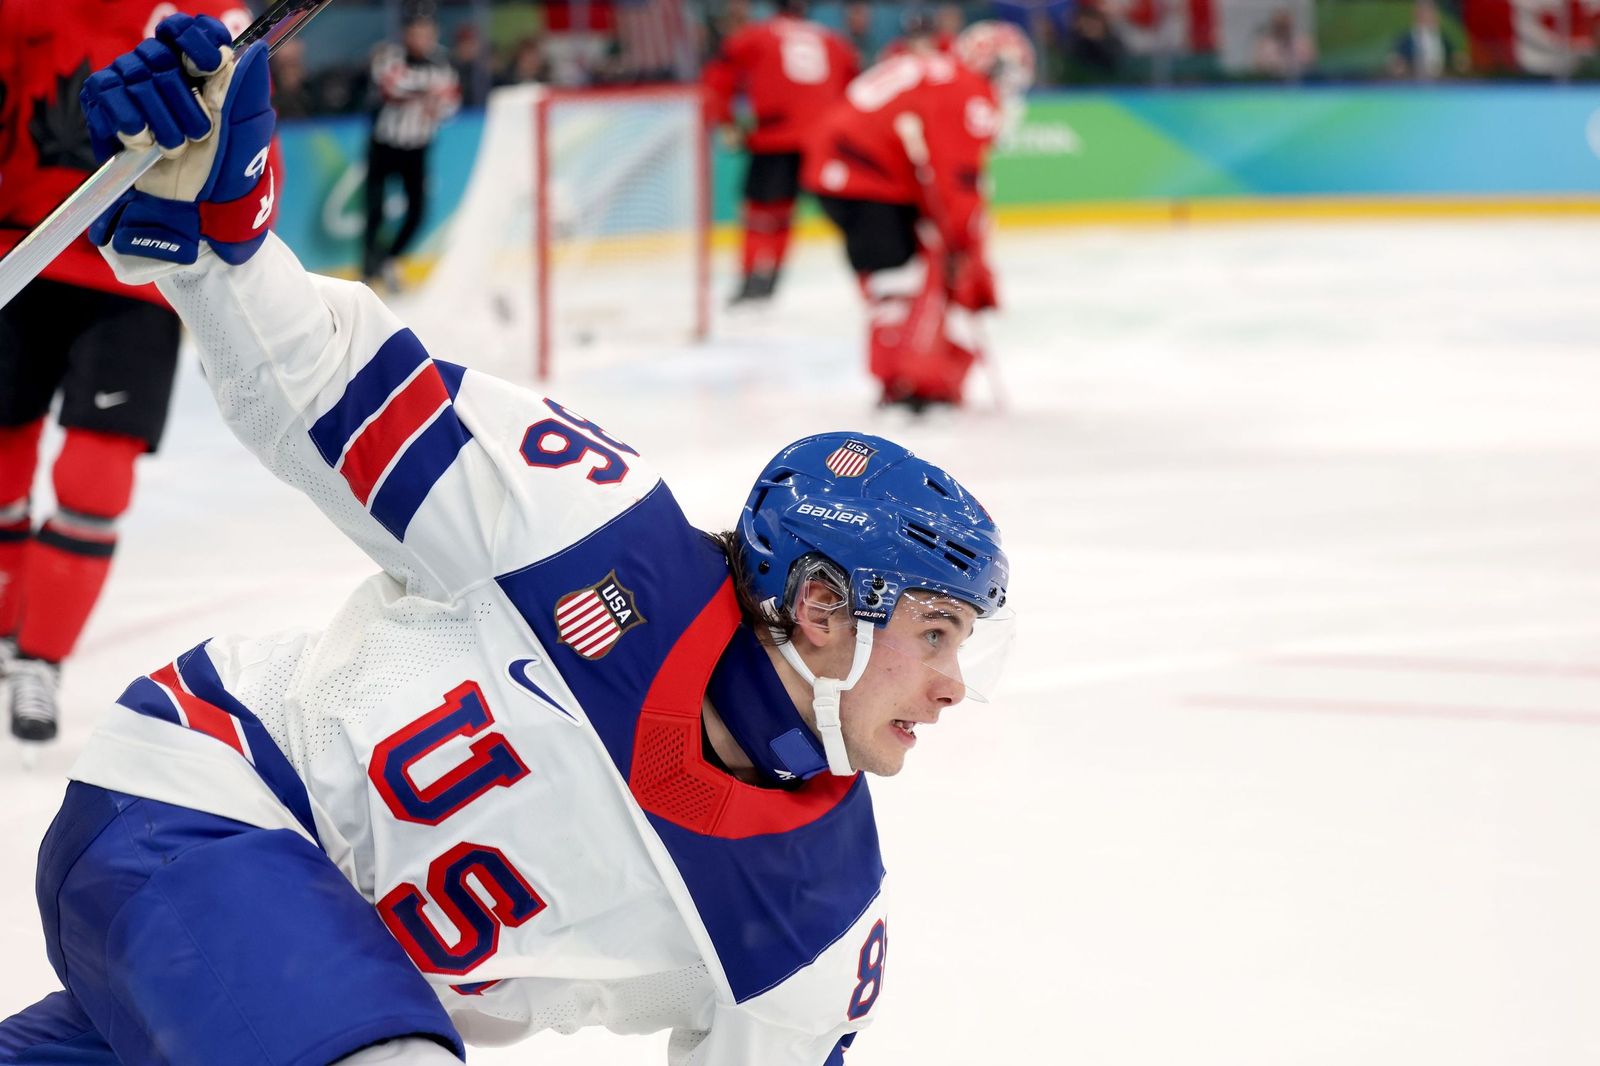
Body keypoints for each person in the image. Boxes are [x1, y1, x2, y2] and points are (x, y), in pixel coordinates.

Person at [0, 15, 1015, 1066]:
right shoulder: (588, 527)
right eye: (935, 632)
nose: (953, 684)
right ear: (818, 607)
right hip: (213, 798)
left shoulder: (822, 918)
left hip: (305, 984)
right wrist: (218, 227)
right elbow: (319, 388)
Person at [0, 0, 249, 746]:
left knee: (94, 480)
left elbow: (241, 129)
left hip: (132, 271)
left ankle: (38, 657)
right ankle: (11, 630)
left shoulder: (204, 16)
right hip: (20, 254)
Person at [802, 21, 1035, 412]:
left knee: (897, 281)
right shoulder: (965, 88)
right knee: (898, 285)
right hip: (865, 178)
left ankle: (905, 380)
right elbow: (956, 176)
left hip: (845, 170)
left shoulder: (938, 72)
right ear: (990, 64)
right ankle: (907, 387)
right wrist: (963, 242)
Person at [702, 0, 859, 306]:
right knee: (841, 210)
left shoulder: (756, 35)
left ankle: (753, 278)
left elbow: (718, 77)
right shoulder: (833, 40)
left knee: (761, 212)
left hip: (776, 136)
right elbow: (853, 88)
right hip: (824, 140)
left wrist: (725, 120)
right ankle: (775, 276)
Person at [362, 3, 461, 290]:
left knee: (418, 212)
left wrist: (434, 101)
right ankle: (369, 274)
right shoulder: (389, 54)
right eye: (416, 31)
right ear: (406, 33)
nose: (421, 37)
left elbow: (451, 105)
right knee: (375, 211)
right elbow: (392, 87)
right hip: (384, 145)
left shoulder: (443, 61)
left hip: (418, 147)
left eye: (426, 31)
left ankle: (388, 260)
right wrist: (430, 93)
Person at [1387, 0, 1462, 80]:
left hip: (1441, 83)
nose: (1428, 16)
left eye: (1431, 12)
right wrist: (1397, 64)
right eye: (1424, 12)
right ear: (1417, 15)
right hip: (1413, 83)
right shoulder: (1406, 39)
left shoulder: (1443, 38)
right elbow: (1395, 59)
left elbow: (1454, 57)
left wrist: (1458, 61)